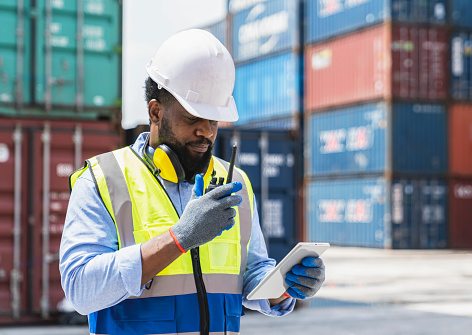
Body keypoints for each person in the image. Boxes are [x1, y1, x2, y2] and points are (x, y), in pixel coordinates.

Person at [59, 29, 325, 335]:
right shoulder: (103, 179)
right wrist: (179, 239)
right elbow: (80, 289)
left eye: (213, 120)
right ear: (155, 111)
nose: (206, 133)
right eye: (193, 118)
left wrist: (285, 285)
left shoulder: (234, 180)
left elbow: (252, 275)